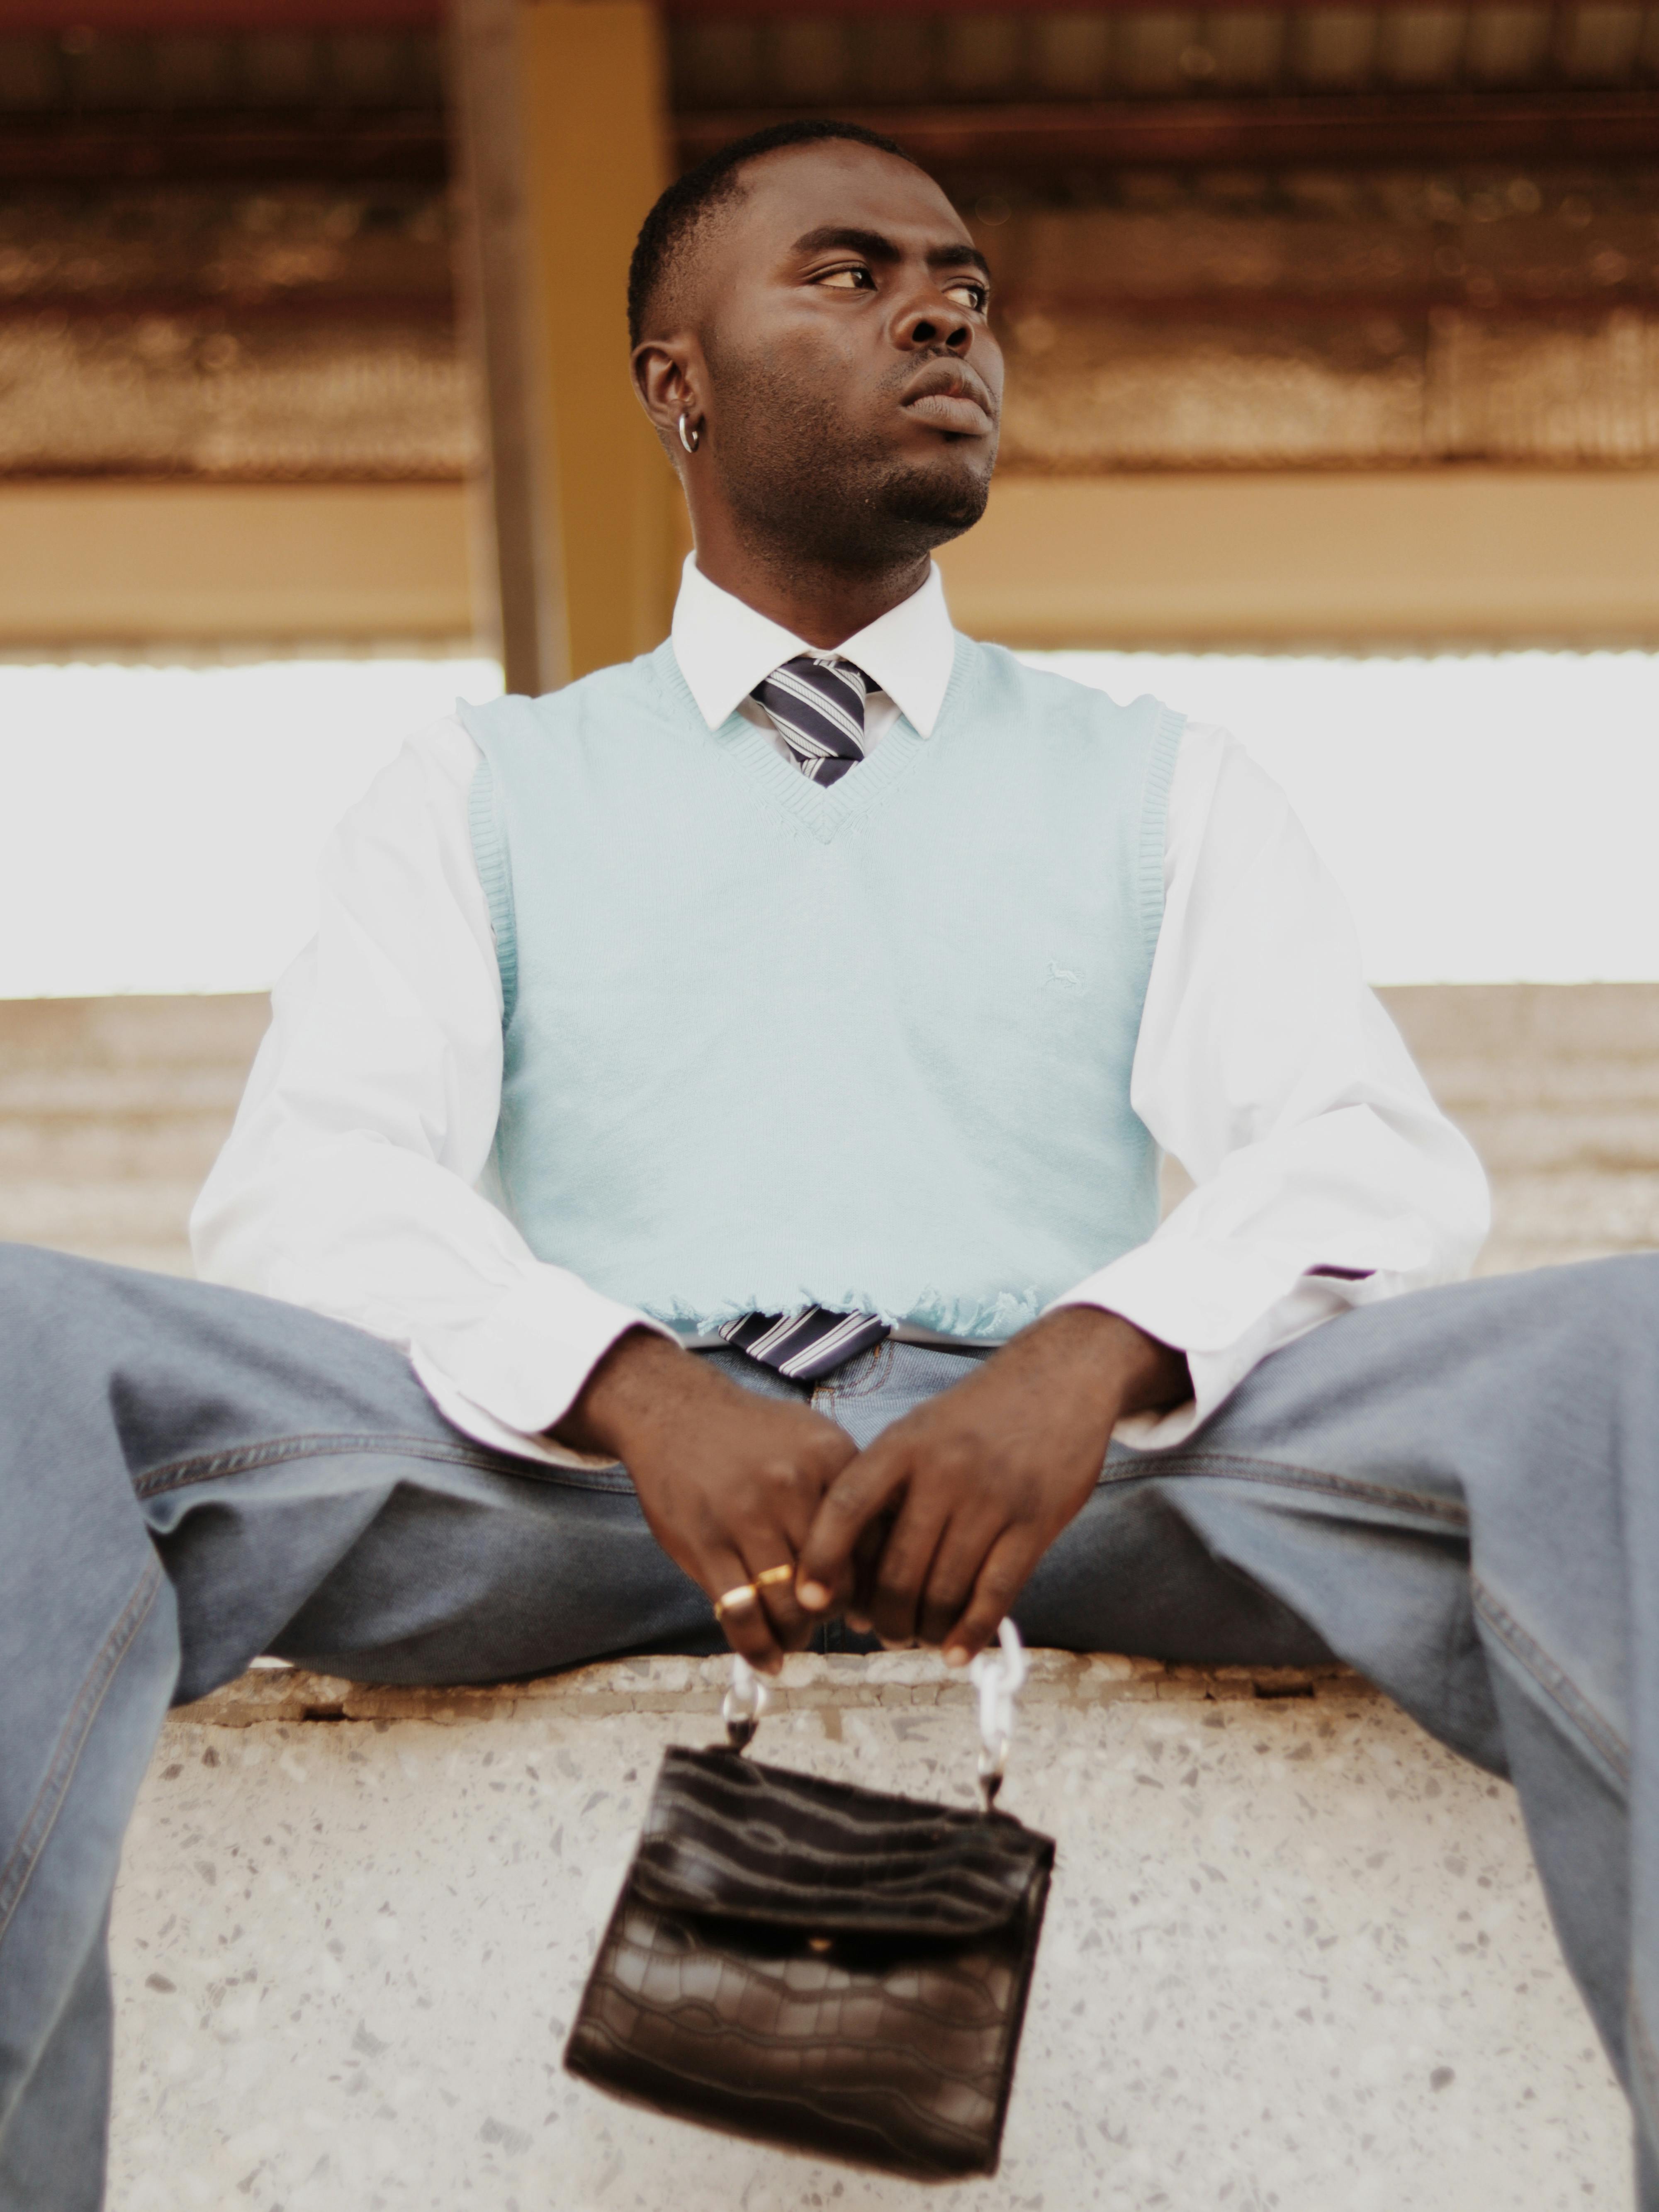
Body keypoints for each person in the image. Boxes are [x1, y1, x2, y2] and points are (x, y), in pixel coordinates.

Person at [1, 118, 1654, 2210]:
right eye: (850, 274)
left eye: (962, 281)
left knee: (1632, 1353)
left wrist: (1090, 1355)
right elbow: (311, 1191)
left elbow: (1360, 1158)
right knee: (19, 1349)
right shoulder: (481, 787)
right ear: (675, 379)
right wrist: (632, 1382)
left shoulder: (1164, 780)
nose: (944, 310)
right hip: (592, 1481)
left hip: (1068, 1475)